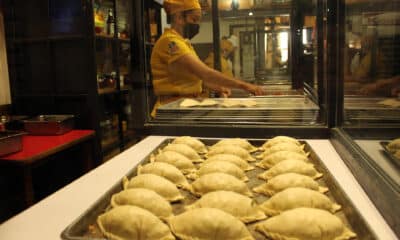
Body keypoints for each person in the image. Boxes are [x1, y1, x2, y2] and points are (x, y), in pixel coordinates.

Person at [150, 0, 264, 117]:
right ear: (179, 17)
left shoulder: (184, 43)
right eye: (194, 19)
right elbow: (204, 73)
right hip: (171, 111)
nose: (197, 25)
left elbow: (194, 78)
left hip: (184, 107)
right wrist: (244, 86)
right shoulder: (171, 42)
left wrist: (216, 87)